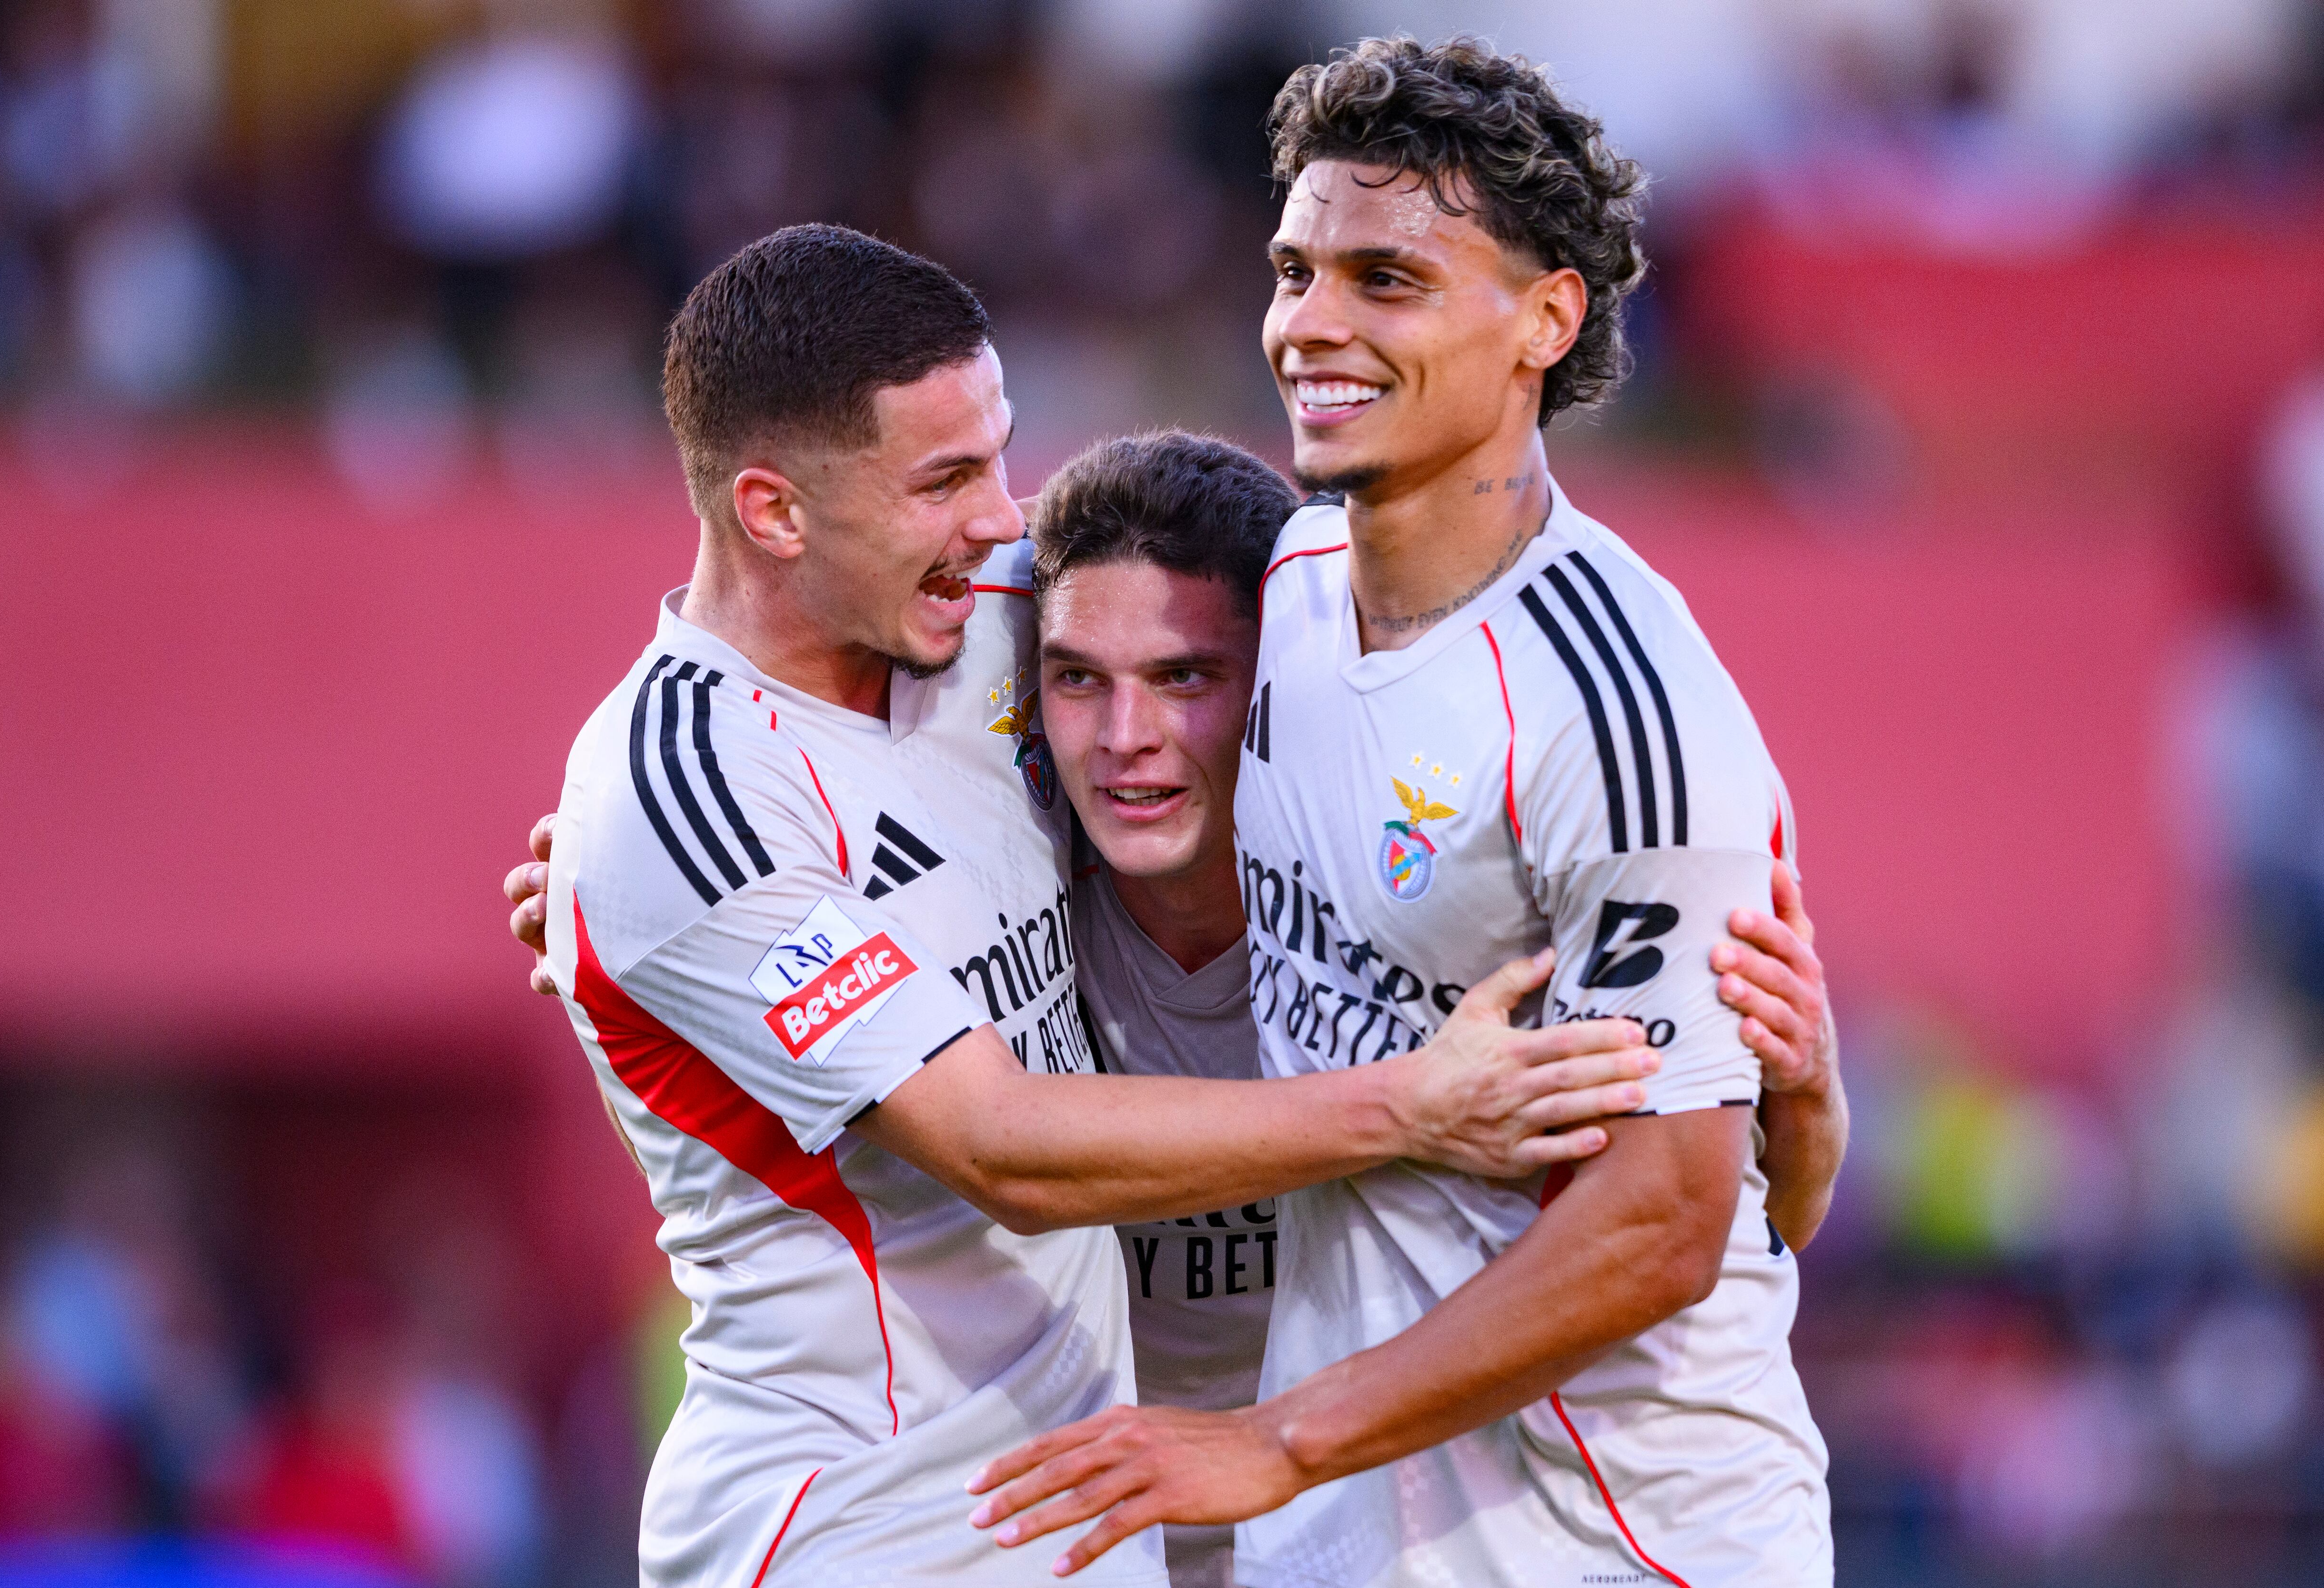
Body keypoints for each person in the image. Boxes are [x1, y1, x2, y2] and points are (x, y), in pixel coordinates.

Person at [529, 223, 1668, 1588]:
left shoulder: (987, 612)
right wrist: (1420, 1104)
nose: (1003, 519)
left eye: (1000, 455)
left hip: (1076, 1526)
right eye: (945, 478)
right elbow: (1000, 1147)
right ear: (774, 512)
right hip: (862, 1535)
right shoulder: (685, 795)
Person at [965, 38, 1845, 1588]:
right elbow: (895, 637)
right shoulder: (1277, 592)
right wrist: (639, 828)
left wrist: (1275, 1437)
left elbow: (1669, 1222)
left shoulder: (1621, 708)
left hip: (1615, 1546)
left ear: (1546, 318)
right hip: (1352, 1536)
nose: (1312, 324)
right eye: (1295, 269)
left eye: (1388, 279)